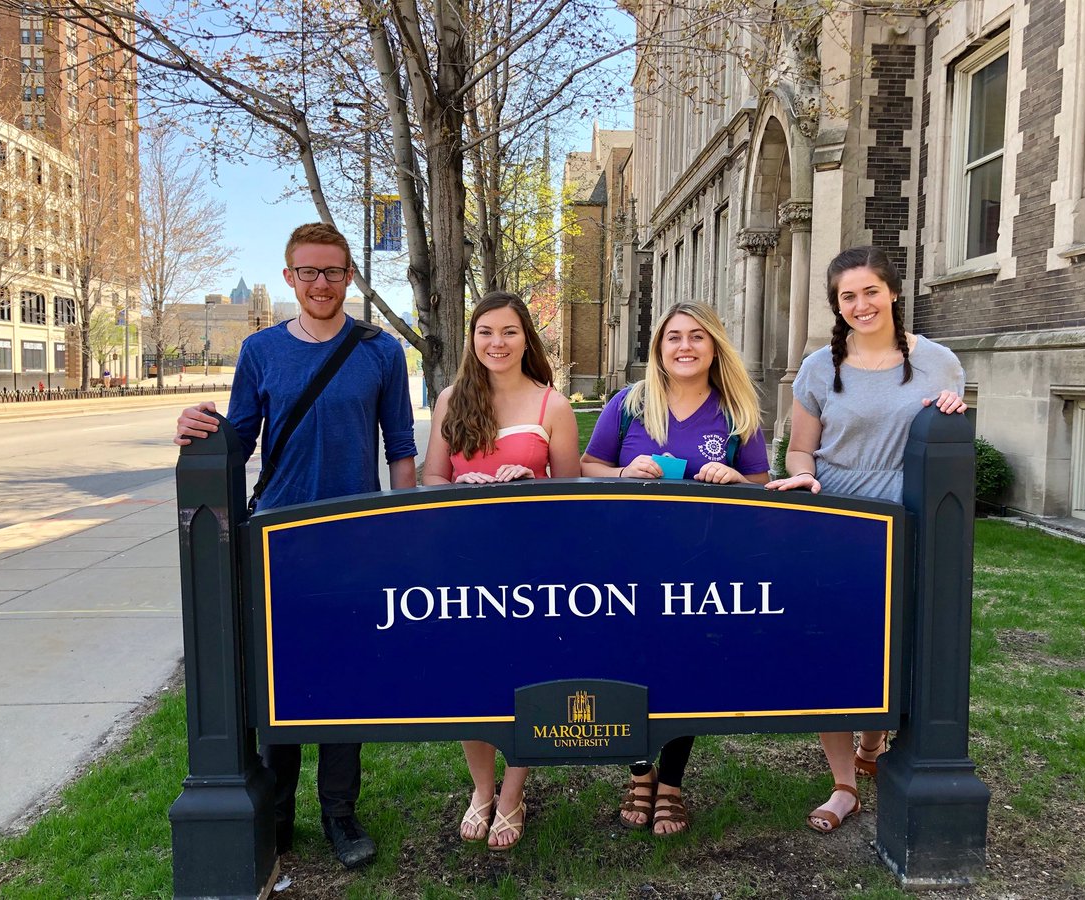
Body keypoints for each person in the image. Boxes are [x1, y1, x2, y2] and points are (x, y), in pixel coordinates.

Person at [174, 222, 416, 869]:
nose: (320, 284)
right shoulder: (259, 352)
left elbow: (400, 448)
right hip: (277, 546)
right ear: (289, 278)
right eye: (307, 272)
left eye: (333, 272)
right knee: (278, 686)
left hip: (353, 544)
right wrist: (199, 429)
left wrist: (403, 530)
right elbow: (240, 440)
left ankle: (340, 814)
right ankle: (277, 816)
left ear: (350, 278)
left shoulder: (380, 352)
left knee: (344, 688)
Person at [765, 245, 966, 834]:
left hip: (910, 511)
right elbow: (801, 447)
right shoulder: (817, 369)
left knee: (899, 641)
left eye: (870, 291)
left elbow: (946, 438)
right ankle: (843, 785)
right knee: (835, 644)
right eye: (847, 296)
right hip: (839, 515)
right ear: (836, 304)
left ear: (894, 292)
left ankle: (873, 746)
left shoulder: (938, 363)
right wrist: (804, 474)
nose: (861, 305)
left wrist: (956, 410)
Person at [580, 300, 769, 836]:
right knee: (628, 660)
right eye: (673, 338)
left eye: (696, 337)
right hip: (628, 558)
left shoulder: (736, 413)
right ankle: (640, 771)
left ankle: (672, 785)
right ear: (659, 349)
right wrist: (621, 472)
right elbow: (586, 468)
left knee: (686, 664)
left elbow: (761, 481)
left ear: (714, 347)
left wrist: (735, 481)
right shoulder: (630, 403)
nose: (684, 346)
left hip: (702, 562)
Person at [422, 291, 580, 850]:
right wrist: (459, 487)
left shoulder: (551, 406)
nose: (497, 343)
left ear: (526, 338)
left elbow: (574, 498)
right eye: (485, 331)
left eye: (509, 331)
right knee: (473, 679)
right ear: (473, 339)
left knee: (526, 677)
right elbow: (431, 480)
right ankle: (482, 790)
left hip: (533, 568)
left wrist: (531, 488)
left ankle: (514, 792)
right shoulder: (451, 400)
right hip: (466, 566)